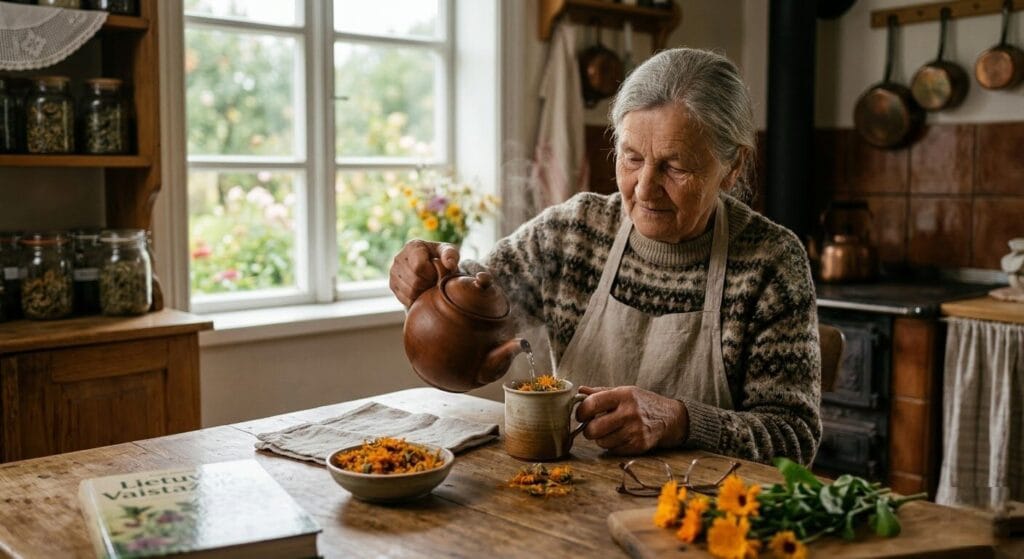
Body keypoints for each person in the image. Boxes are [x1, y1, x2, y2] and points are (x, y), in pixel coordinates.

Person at [389, 48, 821, 466]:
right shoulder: (573, 233)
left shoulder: (770, 262)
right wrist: (431, 281)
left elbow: (794, 439)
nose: (645, 187)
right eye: (632, 158)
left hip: (698, 518)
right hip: (570, 498)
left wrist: (680, 421)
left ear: (731, 166)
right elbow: (483, 299)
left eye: (675, 167)